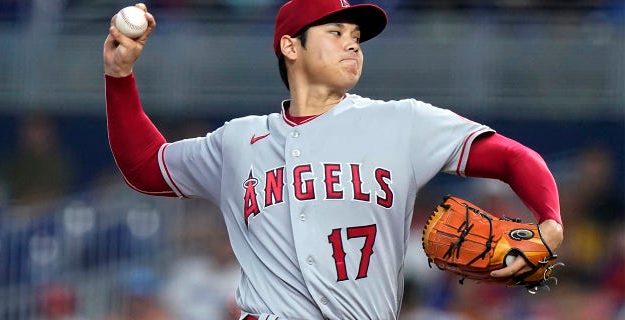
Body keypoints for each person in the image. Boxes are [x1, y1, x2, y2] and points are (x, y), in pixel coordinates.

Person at [102, 1, 564, 319]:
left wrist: (550, 223)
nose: (353, 43)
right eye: (336, 32)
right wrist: (120, 76)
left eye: (357, 36)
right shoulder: (238, 141)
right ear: (290, 46)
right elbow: (145, 166)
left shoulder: (402, 122)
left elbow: (513, 158)